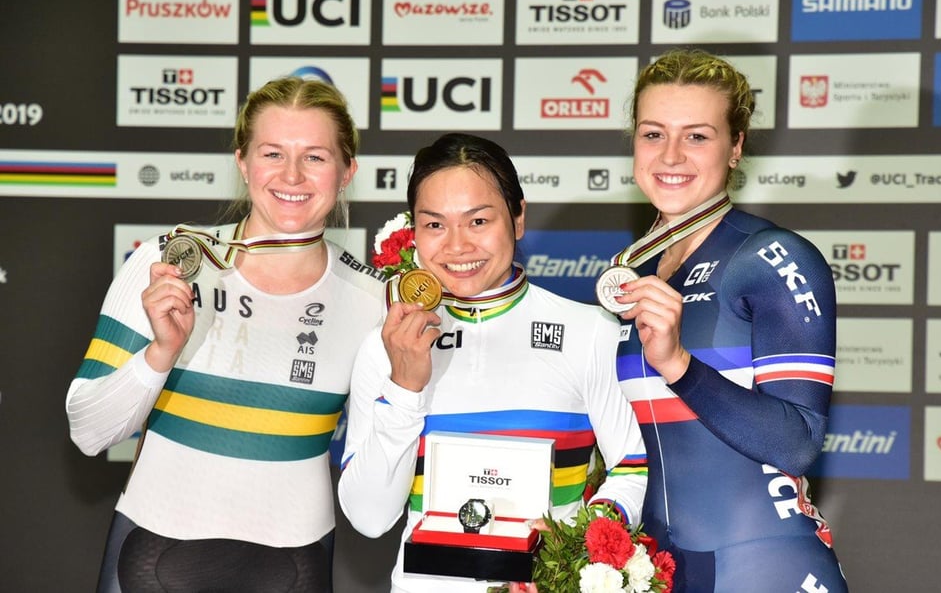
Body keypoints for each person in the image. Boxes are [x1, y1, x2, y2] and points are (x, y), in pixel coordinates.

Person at [66, 76, 384, 593]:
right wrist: (160, 353)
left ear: (347, 170)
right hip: (151, 555)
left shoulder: (374, 300)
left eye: (316, 157)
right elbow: (88, 433)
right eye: (272, 153)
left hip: (296, 563)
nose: (292, 175)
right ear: (243, 162)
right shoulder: (169, 263)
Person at [337, 132, 648, 592]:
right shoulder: (386, 345)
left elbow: (630, 468)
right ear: (414, 230)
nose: (458, 246)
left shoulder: (590, 332)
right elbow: (369, 517)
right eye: (435, 225)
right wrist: (404, 388)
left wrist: (573, 545)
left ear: (518, 218)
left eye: (478, 221)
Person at [611, 49, 849, 592]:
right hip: (659, 570)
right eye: (653, 134)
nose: (671, 155)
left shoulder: (771, 257)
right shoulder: (635, 268)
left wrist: (677, 363)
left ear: (736, 147)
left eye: (697, 136)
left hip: (763, 566)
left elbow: (797, 443)